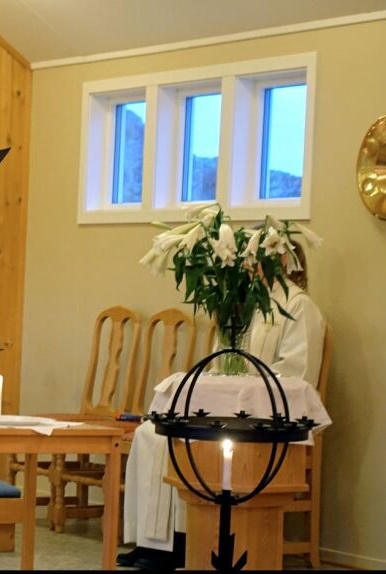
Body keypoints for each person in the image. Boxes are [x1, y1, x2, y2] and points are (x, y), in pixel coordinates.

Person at [119, 241, 325, 570]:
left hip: (264, 418)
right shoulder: (243, 306)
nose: (247, 267)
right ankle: (155, 543)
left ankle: (182, 545)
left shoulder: (300, 308)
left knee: (192, 440)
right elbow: (221, 361)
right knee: (152, 434)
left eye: (256, 260)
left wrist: (246, 386)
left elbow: (299, 376)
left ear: (282, 261)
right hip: (229, 408)